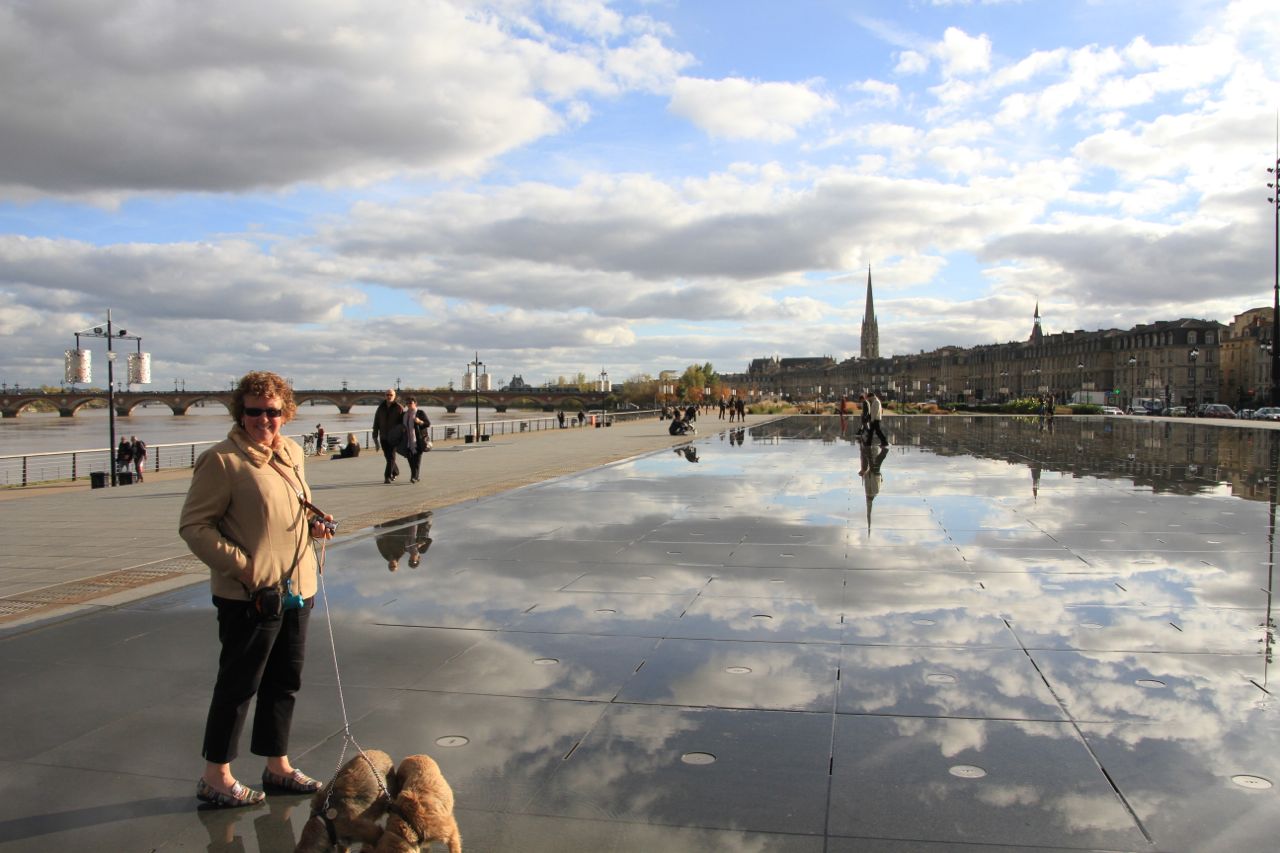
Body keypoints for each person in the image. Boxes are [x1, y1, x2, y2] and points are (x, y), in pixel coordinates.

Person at [179, 370, 335, 808]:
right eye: (254, 411)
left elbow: (287, 508)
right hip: (251, 595)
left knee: (285, 681)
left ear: (286, 413)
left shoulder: (292, 452)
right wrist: (248, 570)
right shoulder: (221, 461)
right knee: (239, 685)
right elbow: (194, 527)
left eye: (272, 411)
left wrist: (313, 524)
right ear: (240, 413)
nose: (264, 419)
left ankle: (277, 765)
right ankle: (215, 776)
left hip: (297, 586)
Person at [372, 389, 404, 484]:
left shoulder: (399, 408)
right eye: (387, 395)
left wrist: (401, 436)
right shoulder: (380, 408)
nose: (389, 396)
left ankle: (387, 476)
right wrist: (375, 437)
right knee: (388, 456)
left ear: (394, 396)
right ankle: (395, 471)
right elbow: (376, 422)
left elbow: (402, 423)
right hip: (383, 437)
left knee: (391, 457)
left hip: (394, 437)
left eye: (391, 395)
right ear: (385, 396)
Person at [401, 397, 430, 484]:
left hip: (418, 440)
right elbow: (401, 425)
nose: (409, 404)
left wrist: (420, 421)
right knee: (410, 460)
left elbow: (427, 423)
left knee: (417, 460)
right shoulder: (404, 415)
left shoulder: (420, 413)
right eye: (407, 403)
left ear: (415, 403)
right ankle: (414, 475)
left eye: (411, 402)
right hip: (407, 441)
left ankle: (414, 477)